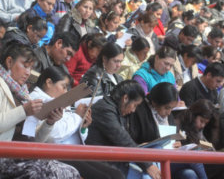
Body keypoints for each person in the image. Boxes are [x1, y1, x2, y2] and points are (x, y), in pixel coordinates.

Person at [0, 42, 80, 179]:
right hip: (5, 154)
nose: (28, 73)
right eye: (25, 66)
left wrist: (49, 122)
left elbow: (34, 140)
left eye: (30, 68)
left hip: (19, 152)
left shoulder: (23, 94)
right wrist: (24, 111)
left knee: (71, 171)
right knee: (63, 172)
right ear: (9, 62)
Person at [29, 66, 124, 179]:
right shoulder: (36, 100)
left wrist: (82, 127)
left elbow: (73, 133)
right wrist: (77, 116)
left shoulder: (60, 100)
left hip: (72, 150)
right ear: (49, 82)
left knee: (116, 174)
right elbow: (55, 135)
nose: (65, 91)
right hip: (55, 153)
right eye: (63, 87)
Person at [128, 82, 207, 179]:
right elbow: (132, 142)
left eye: (172, 109)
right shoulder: (139, 111)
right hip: (151, 160)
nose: (169, 112)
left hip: (168, 156)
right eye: (167, 108)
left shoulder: (168, 115)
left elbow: (172, 135)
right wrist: (149, 144)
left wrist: (177, 143)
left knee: (189, 174)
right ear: (155, 102)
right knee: (193, 159)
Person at [86, 80, 161, 179]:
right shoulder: (105, 109)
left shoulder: (117, 108)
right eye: (134, 105)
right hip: (103, 166)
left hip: (118, 163)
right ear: (125, 98)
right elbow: (122, 139)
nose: (134, 110)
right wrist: (147, 165)